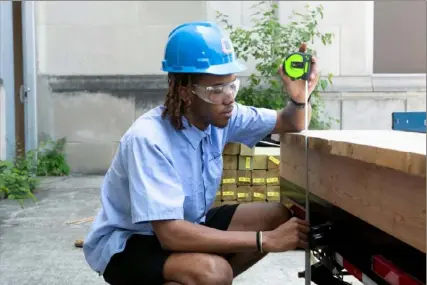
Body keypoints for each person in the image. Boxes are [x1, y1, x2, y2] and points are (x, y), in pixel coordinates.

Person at [83, 21, 319, 285]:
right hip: (130, 243)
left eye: (232, 86)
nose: (228, 97)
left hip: (189, 223)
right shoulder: (149, 139)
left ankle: (197, 277)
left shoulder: (223, 114)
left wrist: (300, 98)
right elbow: (170, 234)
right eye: (216, 90)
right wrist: (265, 241)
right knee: (213, 272)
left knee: (275, 217)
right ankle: (203, 276)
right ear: (184, 91)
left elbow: (291, 122)